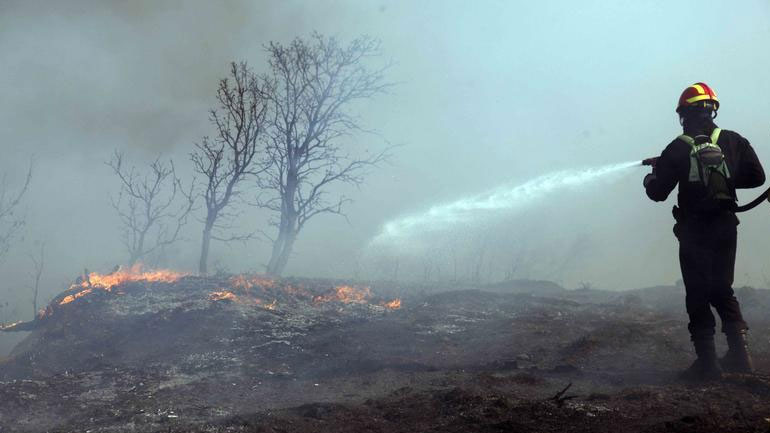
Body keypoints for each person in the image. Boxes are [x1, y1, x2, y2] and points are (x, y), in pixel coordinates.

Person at [643, 82, 765, 380]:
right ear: (713, 109)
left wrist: (651, 177)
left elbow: (658, 193)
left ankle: (708, 364)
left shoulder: (678, 146)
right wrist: (726, 179)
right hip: (725, 225)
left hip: (693, 229)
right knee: (722, 288)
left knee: (698, 292)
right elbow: (758, 177)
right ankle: (741, 356)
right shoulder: (734, 141)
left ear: (683, 113)